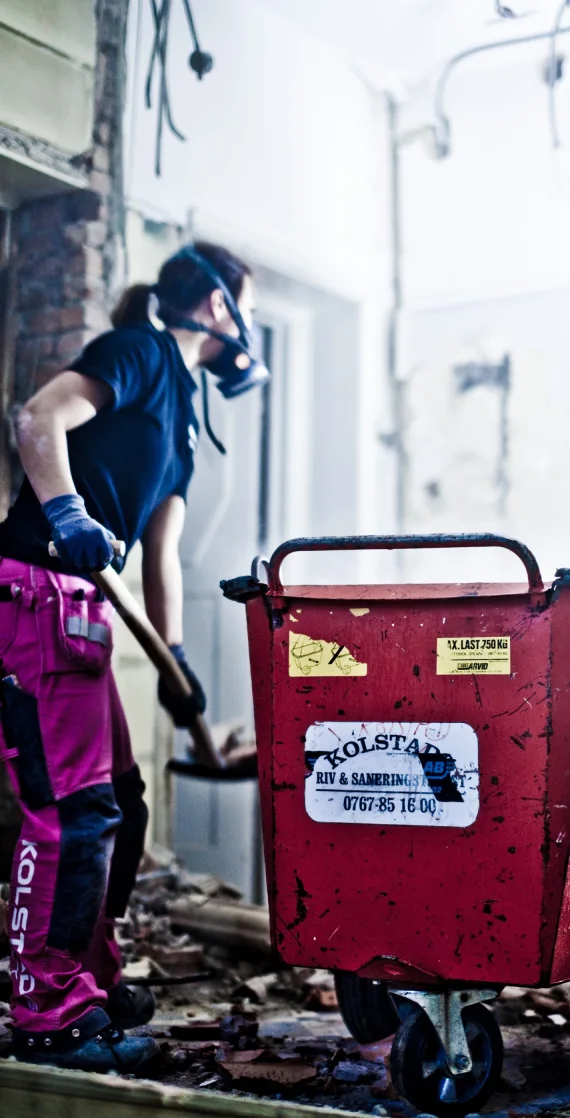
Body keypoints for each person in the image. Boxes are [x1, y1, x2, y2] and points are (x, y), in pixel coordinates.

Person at [0, 242, 267, 1071]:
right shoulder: (138, 353)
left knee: (122, 802)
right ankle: (47, 1006)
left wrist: (176, 664)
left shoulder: (182, 420)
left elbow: (162, 555)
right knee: (73, 810)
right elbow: (37, 419)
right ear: (220, 307)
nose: (251, 326)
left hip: (84, 608)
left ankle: (88, 974)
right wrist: (67, 512)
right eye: (249, 307)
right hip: (36, 591)